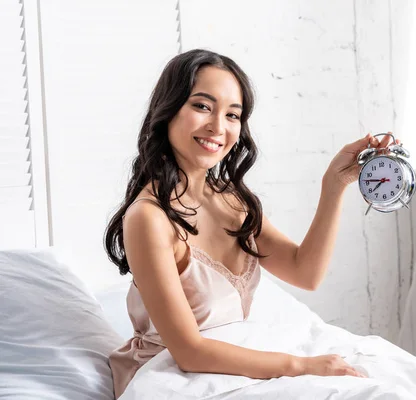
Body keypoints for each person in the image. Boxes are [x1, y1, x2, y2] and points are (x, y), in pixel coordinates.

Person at [104, 48, 399, 398]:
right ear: (168, 110)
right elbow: (188, 351)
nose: (218, 126)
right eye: (202, 106)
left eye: (233, 115)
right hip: (175, 375)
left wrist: (334, 185)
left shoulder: (233, 200)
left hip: (232, 365)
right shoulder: (148, 217)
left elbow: (306, 273)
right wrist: (301, 366)